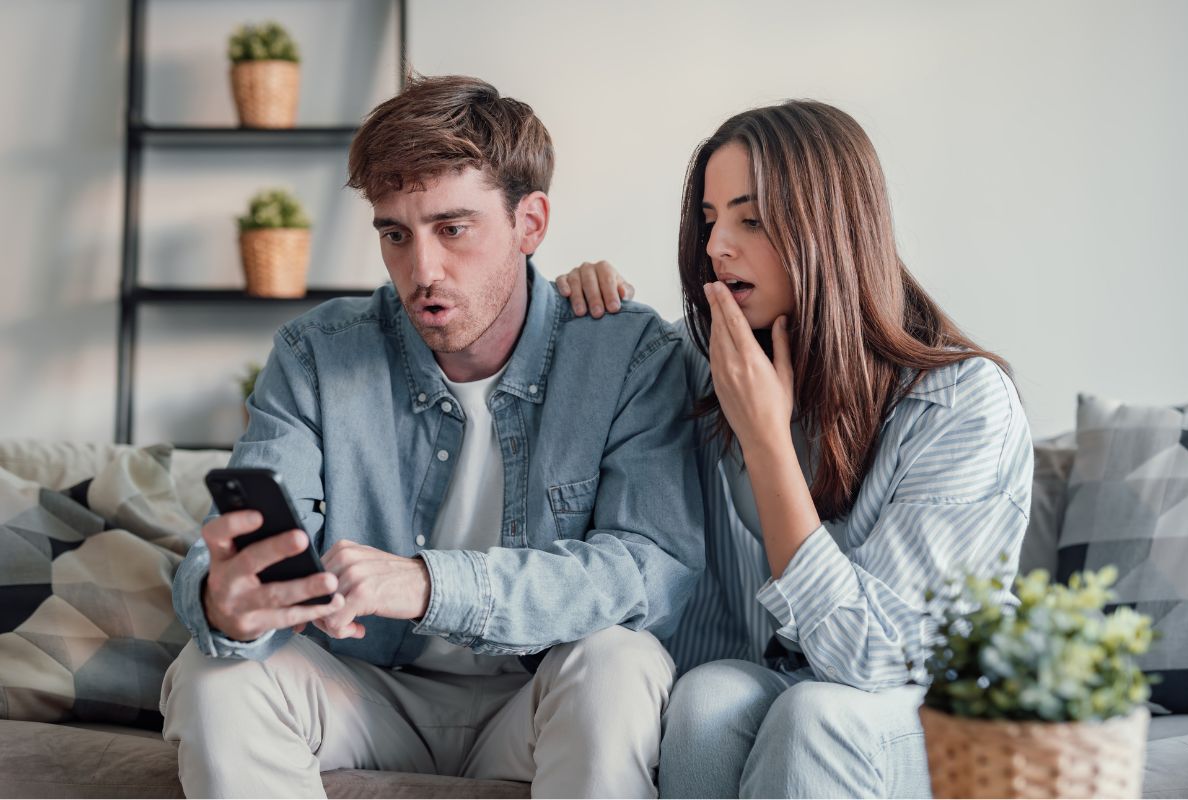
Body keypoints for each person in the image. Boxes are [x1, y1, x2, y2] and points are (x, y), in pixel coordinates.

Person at [159, 74, 703, 799]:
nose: (422, 272)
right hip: (363, 692)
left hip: (537, 695)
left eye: (453, 229)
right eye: (395, 234)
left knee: (618, 663)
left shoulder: (624, 353)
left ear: (530, 223)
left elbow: (648, 572)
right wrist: (223, 603)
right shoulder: (317, 354)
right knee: (211, 672)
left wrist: (429, 584)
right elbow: (225, 553)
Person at [556, 100, 1033, 798]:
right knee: (707, 699)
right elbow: (591, 370)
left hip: (929, 707)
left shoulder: (961, 403)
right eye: (711, 220)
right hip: (793, 684)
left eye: (750, 220)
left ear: (829, 229)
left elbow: (869, 659)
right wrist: (582, 309)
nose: (717, 246)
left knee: (818, 715)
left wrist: (766, 442)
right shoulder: (704, 366)